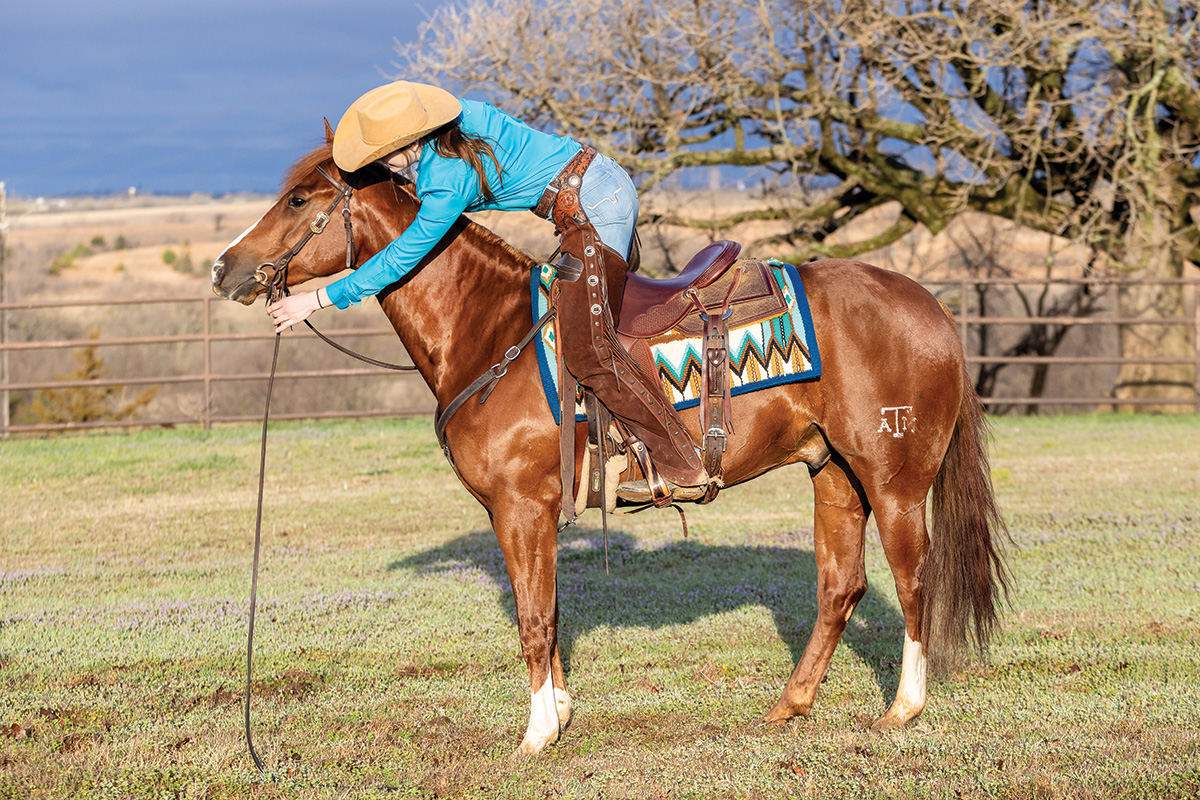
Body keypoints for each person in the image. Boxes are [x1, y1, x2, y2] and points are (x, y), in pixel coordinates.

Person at [267, 80, 707, 493]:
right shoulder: (460, 118)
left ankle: (678, 462)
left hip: (596, 207)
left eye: (382, 156)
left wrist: (319, 298)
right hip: (593, 190)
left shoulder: (447, 179)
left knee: (587, 346)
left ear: (407, 143)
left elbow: (402, 255)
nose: (381, 165)